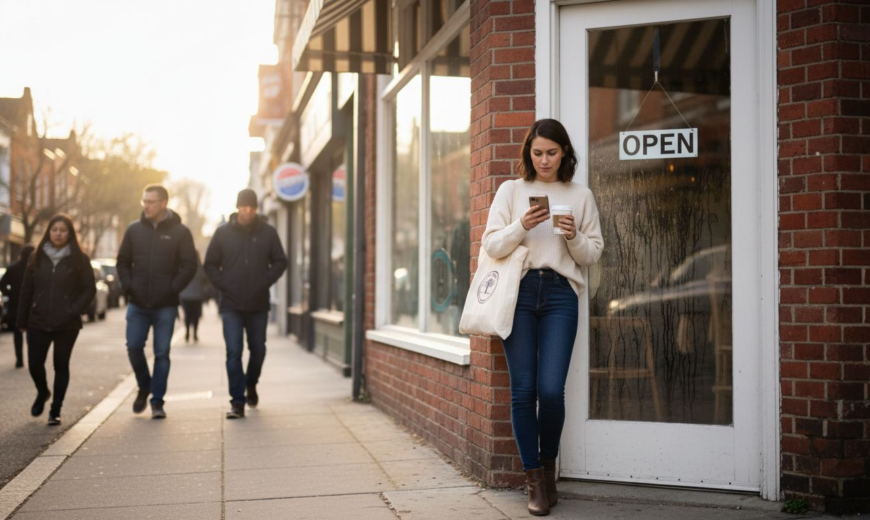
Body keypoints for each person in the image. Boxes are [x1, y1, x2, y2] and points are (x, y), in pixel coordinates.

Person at [481, 119, 603, 516]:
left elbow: (592, 254)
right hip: (517, 293)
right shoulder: (511, 191)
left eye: (552, 152)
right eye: (537, 153)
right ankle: (533, 480)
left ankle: (548, 470)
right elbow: (491, 244)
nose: (544, 160)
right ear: (527, 153)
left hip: (559, 295)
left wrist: (572, 236)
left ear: (564, 152)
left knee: (551, 391)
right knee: (523, 392)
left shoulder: (579, 195)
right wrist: (522, 225)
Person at [205, 189, 287, 419]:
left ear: (256, 208)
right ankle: (237, 402)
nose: (247, 212)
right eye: (243, 208)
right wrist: (224, 284)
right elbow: (210, 264)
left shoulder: (268, 233)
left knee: (258, 350)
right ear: (237, 207)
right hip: (230, 303)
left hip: (258, 304)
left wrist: (265, 280)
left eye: (251, 208)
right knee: (233, 352)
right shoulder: (222, 234)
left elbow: (281, 261)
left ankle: (251, 384)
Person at [117, 185, 197, 419]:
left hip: (166, 305)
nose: (146, 206)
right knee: (133, 347)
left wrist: (172, 289)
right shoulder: (133, 230)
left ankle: (157, 401)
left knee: (162, 353)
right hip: (137, 303)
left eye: (151, 201)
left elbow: (190, 265)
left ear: (163, 203)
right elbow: (122, 261)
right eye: (144, 201)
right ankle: (144, 385)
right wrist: (129, 286)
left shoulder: (180, 232)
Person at [17, 215, 96, 426]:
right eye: (54, 229)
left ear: (69, 233)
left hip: (67, 323)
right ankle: (43, 392)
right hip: (38, 319)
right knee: (35, 364)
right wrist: (21, 319)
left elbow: (89, 289)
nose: (58, 233)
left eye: (63, 230)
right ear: (48, 232)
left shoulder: (79, 258)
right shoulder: (37, 257)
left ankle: (55, 410)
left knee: (61, 365)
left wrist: (74, 309)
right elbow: (27, 290)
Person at [1, 245, 35, 368]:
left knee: (17, 332)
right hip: (32, 305)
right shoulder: (34, 268)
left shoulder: (13, 268)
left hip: (16, 304)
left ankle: (19, 359)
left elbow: (2, 284)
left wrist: (10, 293)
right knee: (31, 334)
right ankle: (31, 358)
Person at [179, 251, 210, 343]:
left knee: (187, 315)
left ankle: (188, 332)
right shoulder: (200, 268)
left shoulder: (183, 266)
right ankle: (194, 334)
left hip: (186, 295)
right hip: (197, 296)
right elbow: (206, 280)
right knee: (195, 315)